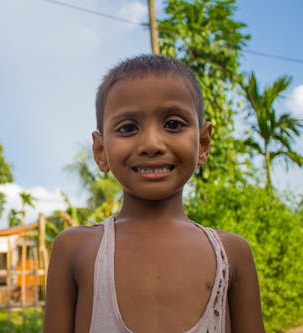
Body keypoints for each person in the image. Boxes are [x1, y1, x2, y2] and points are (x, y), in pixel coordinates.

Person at [43, 54, 265, 333]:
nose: (151, 144)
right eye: (128, 128)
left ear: (203, 143)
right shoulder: (76, 250)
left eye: (173, 124)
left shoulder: (232, 254)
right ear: (101, 151)